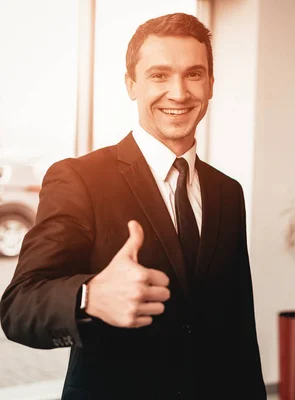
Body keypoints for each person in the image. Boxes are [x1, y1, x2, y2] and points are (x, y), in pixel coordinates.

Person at [0, 13, 265, 400]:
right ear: (131, 85)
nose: (179, 92)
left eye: (194, 74)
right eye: (159, 75)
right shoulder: (80, 178)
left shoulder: (228, 192)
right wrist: (88, 296)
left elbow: (240, 326)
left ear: (210, 84)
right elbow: (19, 306)